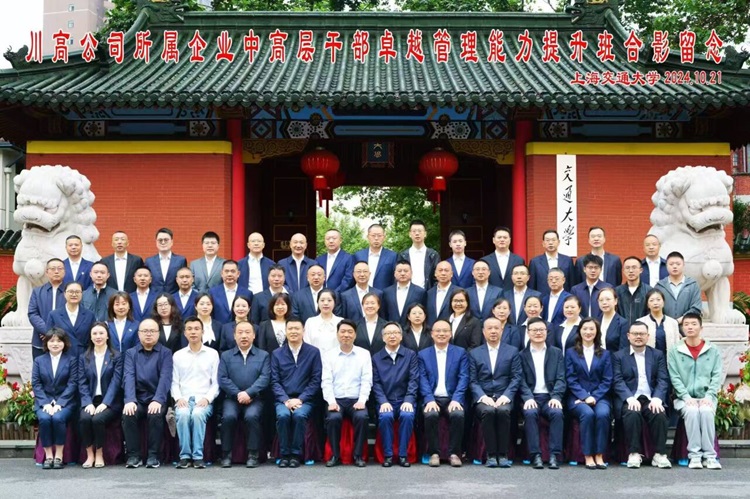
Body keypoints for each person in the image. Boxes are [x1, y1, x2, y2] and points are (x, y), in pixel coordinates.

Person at [612, 321, 672, 469]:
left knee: (659, 414)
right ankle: (633, 453)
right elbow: (617, 380)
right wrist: (629, 398)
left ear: (647, 336)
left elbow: (663, 379)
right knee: (632, 413)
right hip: (630, 397)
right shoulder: (619, 356)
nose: (638, 336)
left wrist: (657, 398)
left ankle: (660, 454)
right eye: (635, 333)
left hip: (651, 398)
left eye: (642, 334)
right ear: (628, 336)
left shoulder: (657, 355)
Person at [667, 313, 722, 470]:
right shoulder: (675, 350)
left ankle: (710, 456)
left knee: (706, 411)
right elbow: (675, 377)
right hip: (683, 398)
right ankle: (695, 456)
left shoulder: (712, 350)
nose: (690, 327)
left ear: (701, 327)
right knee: (691, 411)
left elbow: (717, 376)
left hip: (706, 397)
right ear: (682, 328)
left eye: (693, 324)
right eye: (686, 324)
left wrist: (709, 396)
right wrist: (685, 396)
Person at [469, 317, 522, 468]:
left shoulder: (512, 351)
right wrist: (482, 396)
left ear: (502, 330)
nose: (493, 331)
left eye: (496, 328)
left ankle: (503, 454)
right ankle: (491, 455)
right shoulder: (474, 353)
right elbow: (472, 380)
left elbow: (516, 377)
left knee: (503, 411)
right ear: (483, 332)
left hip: (504, 396)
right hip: (484, 397)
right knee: (489, 411)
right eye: (489, 328)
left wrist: (506, 396)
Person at [122, 319, 174, 469]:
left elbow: (165, 378)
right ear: (139, 334)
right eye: (145, 331)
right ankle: (133, 455)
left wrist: (157, 399)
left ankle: (153, 455)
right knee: (129, 413)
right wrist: (130, 400)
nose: (148, 334)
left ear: (158, 333)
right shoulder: (131, 353)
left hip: (157, 397)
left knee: (155, 414)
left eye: (152, 331)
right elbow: (128, 376)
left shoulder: (166, 353)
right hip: (137, 398)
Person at [218, 321, 271, 468]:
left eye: (248, 332)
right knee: (228, 417)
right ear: (234, 336)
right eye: (240, 332)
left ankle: (253, 454)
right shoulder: (226, 356)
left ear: (254, 335)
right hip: (232, 398)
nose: (244, 336)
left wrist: (249, 393)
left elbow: (265, 378)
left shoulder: (263, 355)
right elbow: (223, 378)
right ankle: (226, 454)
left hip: (255, 398)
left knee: (251, 416)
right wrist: (238, 394)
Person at [271, 317, 322, 468]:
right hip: (283, 399)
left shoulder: (313, 352)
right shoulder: (277, 353)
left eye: (297, 328)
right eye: (290, 329)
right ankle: (284, 454)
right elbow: (274, 381)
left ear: (303, 331)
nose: (293, 332)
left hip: (305, 399)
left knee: (299, 415)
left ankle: (295, 454)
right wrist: (286, 400)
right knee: (283, 415)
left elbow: (315, 380)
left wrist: (301, 399)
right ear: (285, 331)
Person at [321, 320, 373, 467]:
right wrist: (331, 402)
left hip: (356, 399)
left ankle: (358, 455)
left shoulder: (364, 354)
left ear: (355, 335)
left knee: (362, 417)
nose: (346, 335)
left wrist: (362, 400)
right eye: (343, 331)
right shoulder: (329, 355)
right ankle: (335, 455)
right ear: (337, 334)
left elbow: (367, 380)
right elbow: (326, 381)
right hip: (336, 399)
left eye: (350, 332)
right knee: (333, 418)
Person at [418, 319, 469, 468]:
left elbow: (464, 377)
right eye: (438, 331)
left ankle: (454, 453)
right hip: (432, 397)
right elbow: (422, 379)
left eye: (445, 331)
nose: (441, 334)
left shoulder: (460, 353)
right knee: (431, 415)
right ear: (432, 334)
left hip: (453, 398)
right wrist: (429, 399)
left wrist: (457, 399)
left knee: (458, 414)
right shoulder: (423, 354)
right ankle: (434, 453)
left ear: (451, 334)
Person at [171, 317, 220, 469]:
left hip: (203, 399)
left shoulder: (212, 354)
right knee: (183, 414)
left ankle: (198, 456)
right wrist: (178, 398)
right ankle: (185, 456)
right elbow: (174, 382)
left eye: (197, 329)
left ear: (202, 332)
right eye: (190, 329)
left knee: (198, 414)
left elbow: (216, 383)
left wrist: (207, 398)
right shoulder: (178, 355)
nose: (193, 332)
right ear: (185, 333)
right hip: (184, 398)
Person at [565, 318, 613, 470]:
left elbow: (607, 379)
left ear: (597, 332)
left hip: (600, 397)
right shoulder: (571, 353)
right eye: (585, 328)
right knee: (587, 414)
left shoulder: (605, 354)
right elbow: (570, 379)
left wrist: (595, 397)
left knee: (603, 414)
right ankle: (587, 455)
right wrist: (585, 397)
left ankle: (599, 454)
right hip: (577, 397)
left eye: (592, 329)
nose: (588, 332)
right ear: (579, 331)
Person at [519, 317, 565, 470]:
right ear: (528, 332)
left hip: (549, 397)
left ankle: (554, 455)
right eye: (534, 330)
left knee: (557, 413)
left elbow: (561, 378)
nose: (538, 333)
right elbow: (520, 380)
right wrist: (527, 397)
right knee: (530, 413)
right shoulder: (521, 355)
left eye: (541, 330)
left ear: (547, 332)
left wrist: (556, 397)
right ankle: (535, 455)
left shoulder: (556, 353)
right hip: (531, 397)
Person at [372, 322, 419, 467]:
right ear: (383, 338)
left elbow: (413, 380)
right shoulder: (376, 358)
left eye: (395, 333)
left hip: (405, 399)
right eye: (388, 333)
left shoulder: (410, 355)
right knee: (385, 416)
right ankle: (388, 455)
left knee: (407, 415)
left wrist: (409, 400)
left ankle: (403, 455)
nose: (392, 336)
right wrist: (383, 401)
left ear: (401, 336)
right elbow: (376, 383)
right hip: (386, 400)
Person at [32, 328, 79, 469]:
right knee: (45, 419)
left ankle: (59, 455)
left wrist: (60, 403)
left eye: (59, 341)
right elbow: (36, 383)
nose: (55, 344)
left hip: (66, 402)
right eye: (52, 341)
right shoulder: (39, 360)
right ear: (46, 343)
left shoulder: (71, 360)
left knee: (58, 418)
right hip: (44, 401)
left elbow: (73, 383)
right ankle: (48, 456)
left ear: (65, 343)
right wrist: (45, 403)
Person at [78, 322, 123, 468]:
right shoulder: (84, 357)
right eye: (95, 334)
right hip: (91, 401)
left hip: (110, 402)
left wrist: (105, 403)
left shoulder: (116, 356)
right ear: (90, 337)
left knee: (98, 419)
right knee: (85, 418)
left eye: (101, 333)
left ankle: (99, 453)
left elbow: (116, 383)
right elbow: (82, 383)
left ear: (107, 336)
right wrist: (87, 403)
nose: (98, 336)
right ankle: (89, 454)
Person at [28, 258, 66, 359]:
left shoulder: (70, 292)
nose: (56, 271)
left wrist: (57, 335)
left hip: (64, 341)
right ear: (46, 272)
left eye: (60, 268)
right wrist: (47, 331)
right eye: (53, 269)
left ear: (64, 271)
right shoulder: (37, 292)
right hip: (40, 341)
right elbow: (33, 314)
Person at [47, 281, 96, 357]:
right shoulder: (54, 315)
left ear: (82, 294)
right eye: (71, 292)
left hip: (84, 356)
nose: (74, 294)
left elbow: (93, 338)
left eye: (77, 292)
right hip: (62, 356)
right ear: (64, 294)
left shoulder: (89, 315)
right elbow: (49, 339)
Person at [655, 251, 702, 323]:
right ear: (666, 266)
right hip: (665, 325)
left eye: (678, 264)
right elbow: (655, 308)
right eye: (671, 264)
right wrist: (668, 323)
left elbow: (696, 308)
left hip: (687, 326)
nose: (674, 266)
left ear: (683, 265)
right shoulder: (660, 286)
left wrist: (678, 321)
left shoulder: (692, 285)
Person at [637, 288, 682, 357]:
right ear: (648, 305)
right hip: (648, 360)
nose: (655, 303)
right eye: (651, 300)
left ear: (663, 302)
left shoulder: (673, 322)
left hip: (669, 360)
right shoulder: (641, 322)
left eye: (658, 300)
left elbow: (677, 345)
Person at [528, 230, 576, 294]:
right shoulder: (535, 262)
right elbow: (532, 286)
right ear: (543, 243)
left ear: (558, 242)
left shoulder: (568, 260)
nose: (550, 243)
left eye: (553, 240)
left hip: (564, 298)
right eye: (547, 240)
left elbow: (572, 283)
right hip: (542, 298)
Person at [397, 219, 440, 290]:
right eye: (414, 231)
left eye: (420, 231)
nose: (417, 233)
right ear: (410, 234)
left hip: (428, 292)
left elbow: (437, 277)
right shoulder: (403, 255)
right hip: (408, 292)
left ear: (425, 234)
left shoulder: (433, 255)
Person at [353, 223, 398, 290]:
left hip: (384, 294)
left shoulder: (392, 256)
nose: (376, 238)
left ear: (384, 237)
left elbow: (395, 278)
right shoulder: (358, 255)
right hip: (362, 293)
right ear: (368, 237)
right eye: (373, 235)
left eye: (379, 236)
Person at [381, 260, 426, 326]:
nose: (402, 273)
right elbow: (383, 313)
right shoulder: (387, 292)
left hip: (411, 329)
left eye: (406, 271)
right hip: (392, 330)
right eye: (399, 271)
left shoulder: (420, 292)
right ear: (394, 273)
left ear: (411, 273)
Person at [480, 226, 525, 292]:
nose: (502, 240)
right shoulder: (485, 261)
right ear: (493, 240)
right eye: (499, 237)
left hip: (512, 296)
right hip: (492, 296)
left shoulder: (519, 260)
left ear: (510, 240)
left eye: (505, 237)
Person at [145, 228, 188, 295]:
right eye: (160, 240)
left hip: (174, 298)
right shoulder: (149, 262)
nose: (163, 242)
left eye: (166, 240)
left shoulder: (180, 261)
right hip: (155, 298)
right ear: (156, 242)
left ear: (172, 242)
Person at [210, 260, 253, 325]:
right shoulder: (212, 292)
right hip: (219, 329)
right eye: (226, 271)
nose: (229, 274)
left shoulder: (247, 293)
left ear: (238, 274)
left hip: (241, 328)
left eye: (233, 271)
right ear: (221, 273)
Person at [303, 289, 343, 353]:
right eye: (322, 300)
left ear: (334, 302)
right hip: (314, 358)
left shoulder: (341, 322)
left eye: (329, 300)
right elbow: (306, 345)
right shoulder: (310, 322)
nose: (326, 303)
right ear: (317, 302)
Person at [615, 256, 652, 326]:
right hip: (622, 330)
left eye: (634, 267)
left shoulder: (649, 291)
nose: (631, 271)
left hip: (642, 330)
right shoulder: (617, 292)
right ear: (623, 271)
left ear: (641, 270)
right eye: (627, 268)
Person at [316, 229, 354, 293]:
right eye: (328, 239)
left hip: (341, 296)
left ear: (340, 240)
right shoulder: (319, 260)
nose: (331, 241)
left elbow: (348, 279)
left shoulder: (348, 258)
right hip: (321, 296)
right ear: (324, 241)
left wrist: (333, 294)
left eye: (334, 238)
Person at [571, 254, 607, 318]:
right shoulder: (576, 290)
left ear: (601, 270)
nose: (593, 270)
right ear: (584, 269)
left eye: (596, 267)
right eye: (590, 267)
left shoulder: (607, 288)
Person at [426, 261, 459, 326]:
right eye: (440, 270)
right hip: (431, 330)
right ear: (435, 273)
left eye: (446, 270)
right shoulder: (429, 293)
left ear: (452, 274)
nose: (443, 273)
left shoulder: (458, 292)